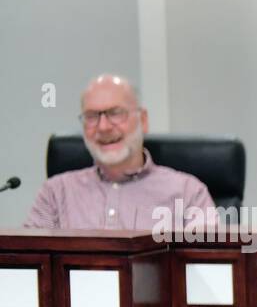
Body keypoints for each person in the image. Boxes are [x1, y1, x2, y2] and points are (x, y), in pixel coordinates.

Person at [24, 74, 215, 230]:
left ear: (144, 120)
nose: (104, 127)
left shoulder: (188, 193)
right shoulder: (56, 194)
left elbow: (207, 268)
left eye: (116, 113)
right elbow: (29, 265)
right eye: (91, 117)